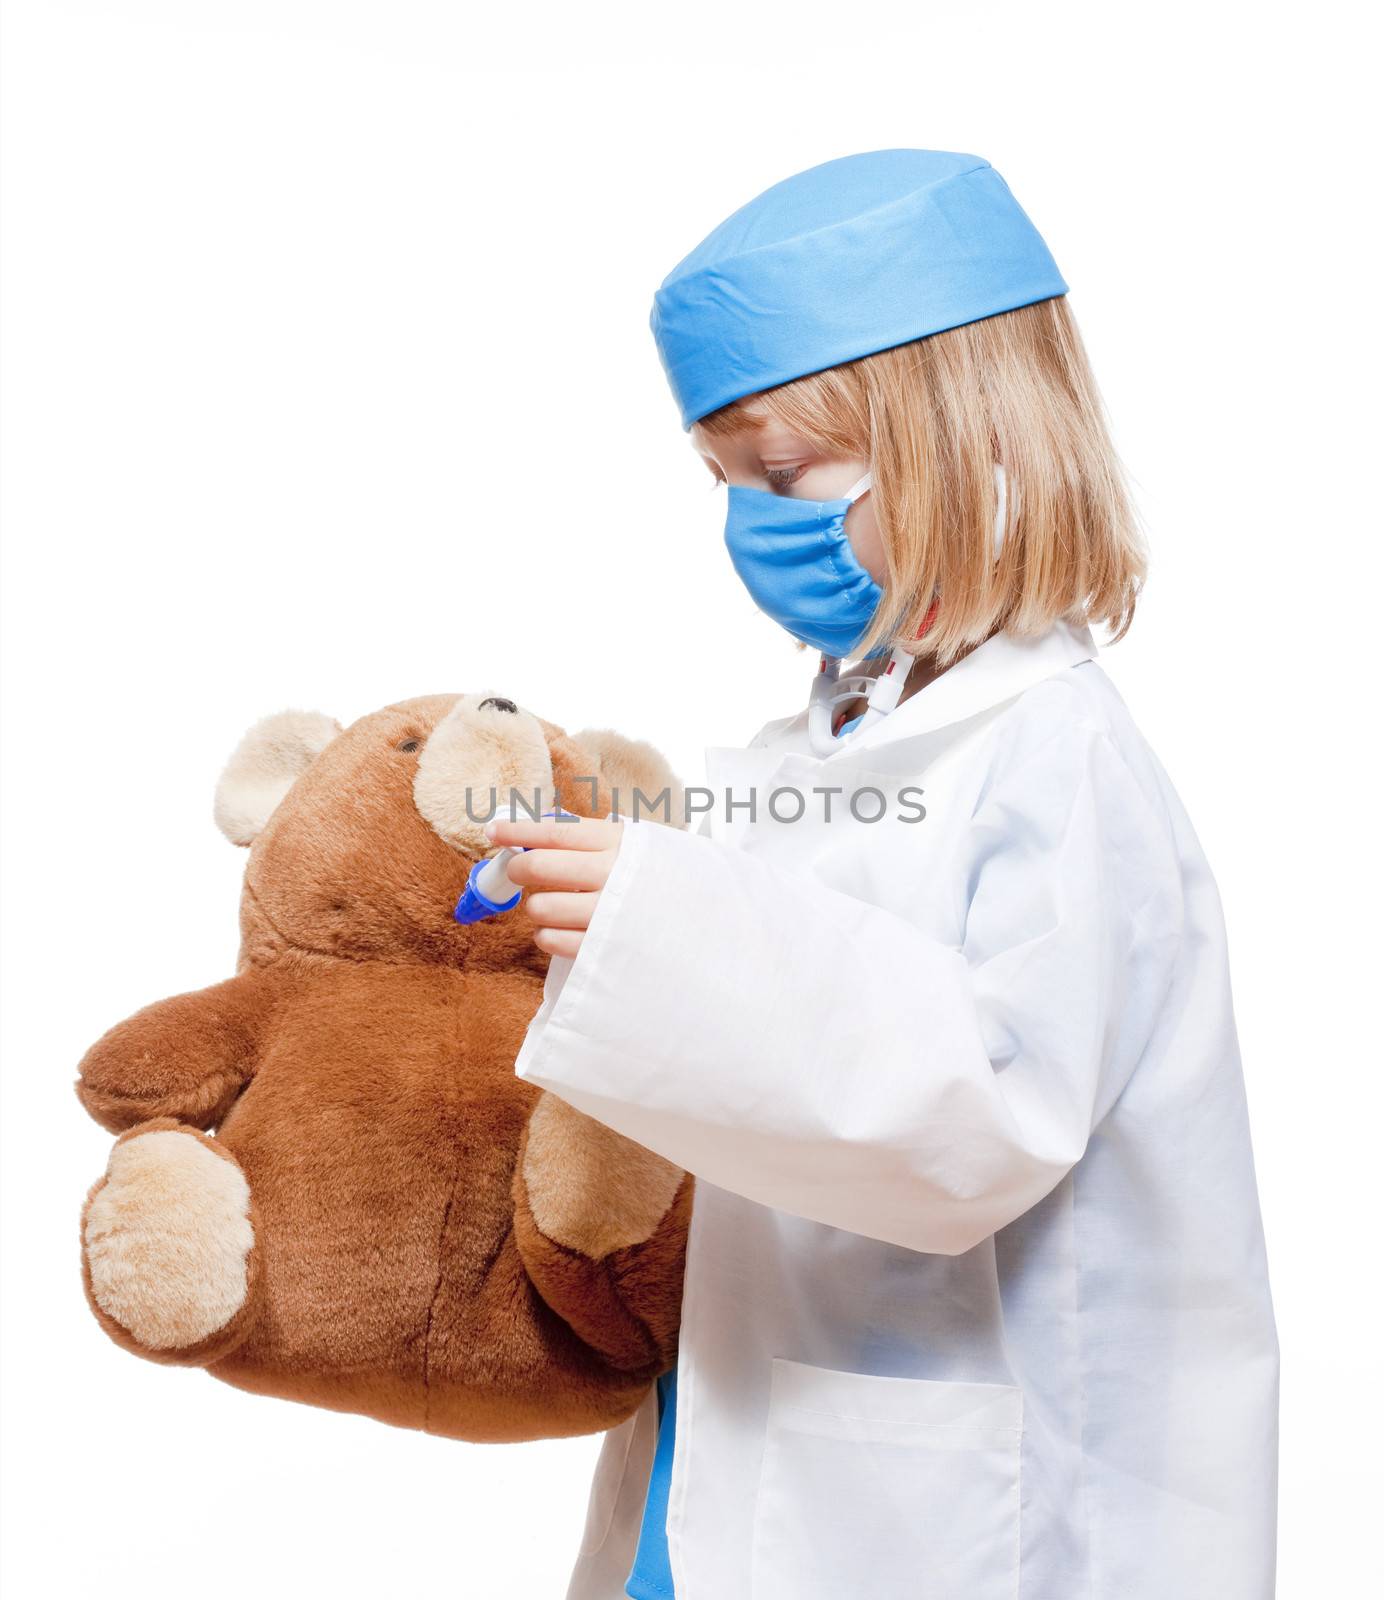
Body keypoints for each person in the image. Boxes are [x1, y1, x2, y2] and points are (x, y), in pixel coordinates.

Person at [489, 150, 1279, 1600]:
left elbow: (987, 1118)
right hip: (744, 1443)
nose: (754, 522)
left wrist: (658, 932)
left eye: (782, 472)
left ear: (967, 432)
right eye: (727, 482)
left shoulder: (1053, 756)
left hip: (963, 1500)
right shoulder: (814, 749)